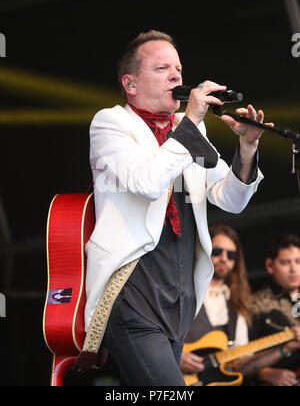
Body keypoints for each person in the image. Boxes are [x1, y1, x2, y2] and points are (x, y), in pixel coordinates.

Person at [81, 30, 269, 386]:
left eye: (179, 70)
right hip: (133, 291)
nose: (176, 77)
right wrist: (194, 122)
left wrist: (246, 147)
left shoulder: (185, 127)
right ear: (131, 83)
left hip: (180, 295)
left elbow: (231, 198)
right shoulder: (111, 124)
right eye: (162, 68)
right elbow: (147, 183)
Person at [180, 225, 300, 386]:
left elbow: (243, 363)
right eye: (217, 251)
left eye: (231, 255)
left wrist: (286, 348)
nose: (224, 258)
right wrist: (175, 355)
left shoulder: (237, 305)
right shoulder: (181, 290)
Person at [250, 233, 300, 386]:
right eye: (285, 262)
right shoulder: (256, 303)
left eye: (298, 261)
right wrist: (263, 373)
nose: (293, 269)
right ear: (270, 266)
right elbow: (241, 359)